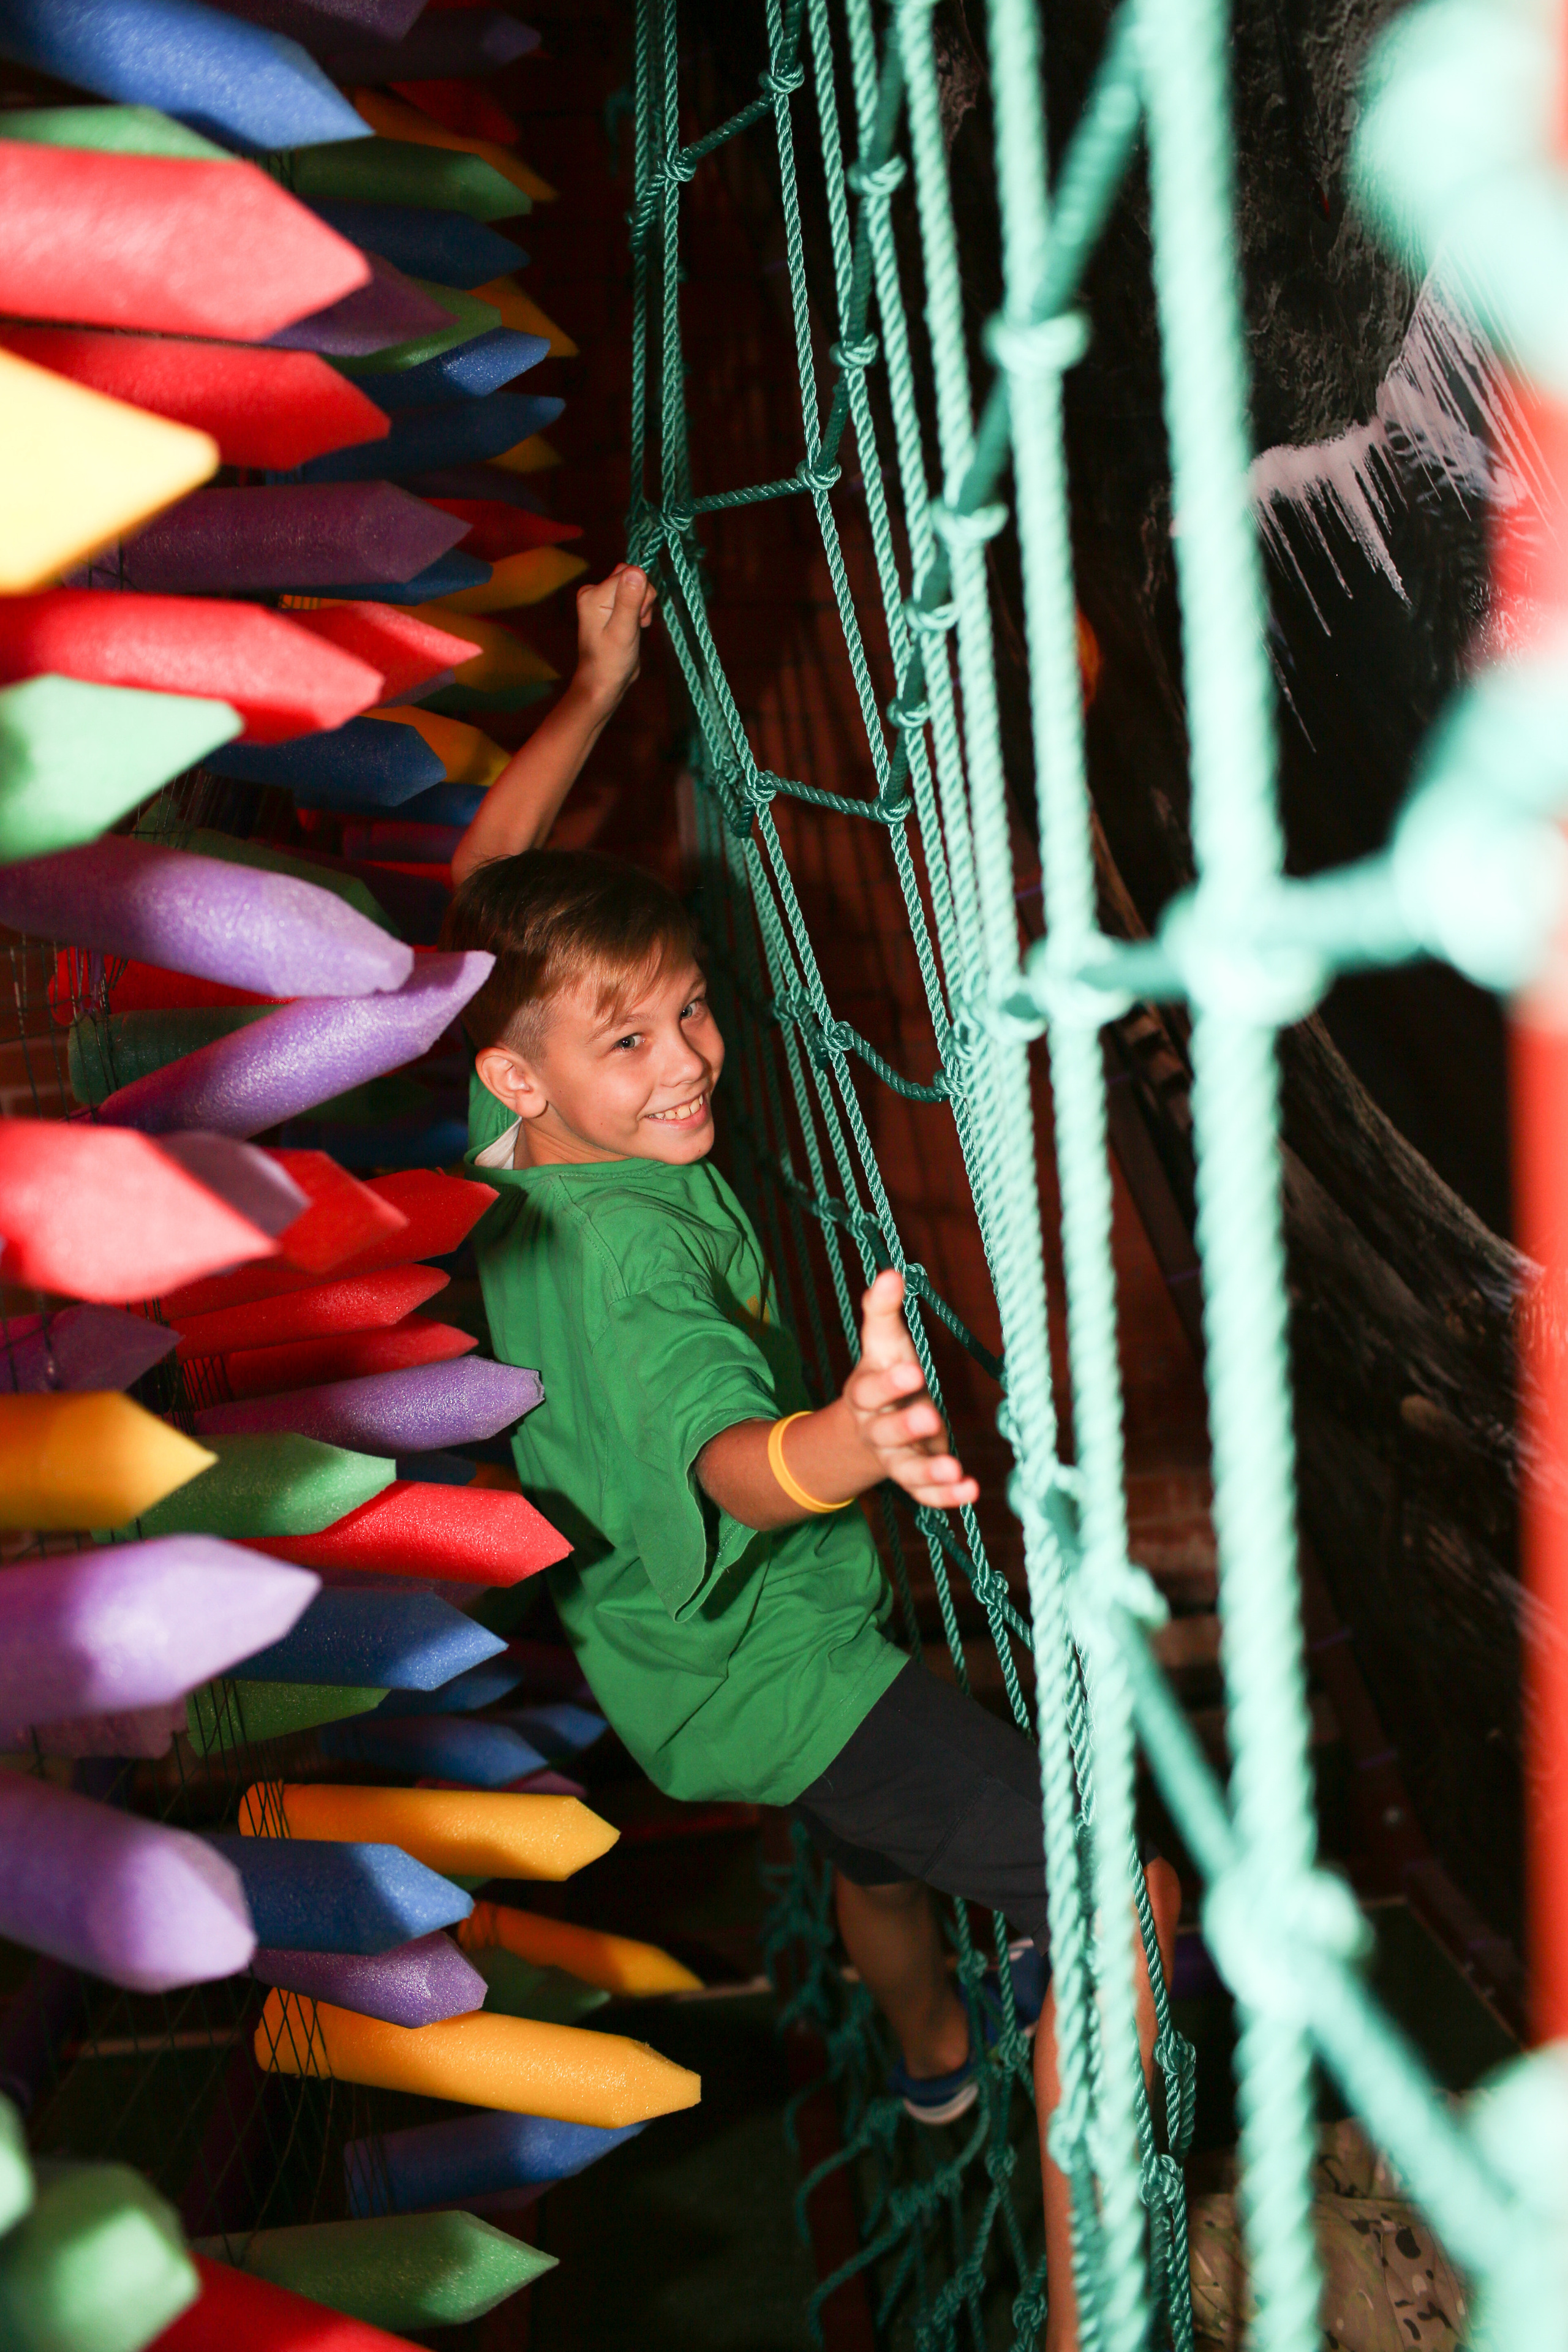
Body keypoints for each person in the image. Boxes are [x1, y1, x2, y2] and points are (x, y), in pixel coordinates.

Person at [447, 564, 1180, 2352]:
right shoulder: (636, 1271)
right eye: (630, 1042)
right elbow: (722, 1459)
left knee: (877, 1848)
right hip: (780, 1665)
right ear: (527, 1076)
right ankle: (1093, 2313)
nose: (688, 1062)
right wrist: (848, 1440)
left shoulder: (509, 1133)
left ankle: (934, 2057)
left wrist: (595, 690)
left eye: (691, 1010)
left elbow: (487, 878)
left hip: (683, 1672)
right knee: (1126, 1897)